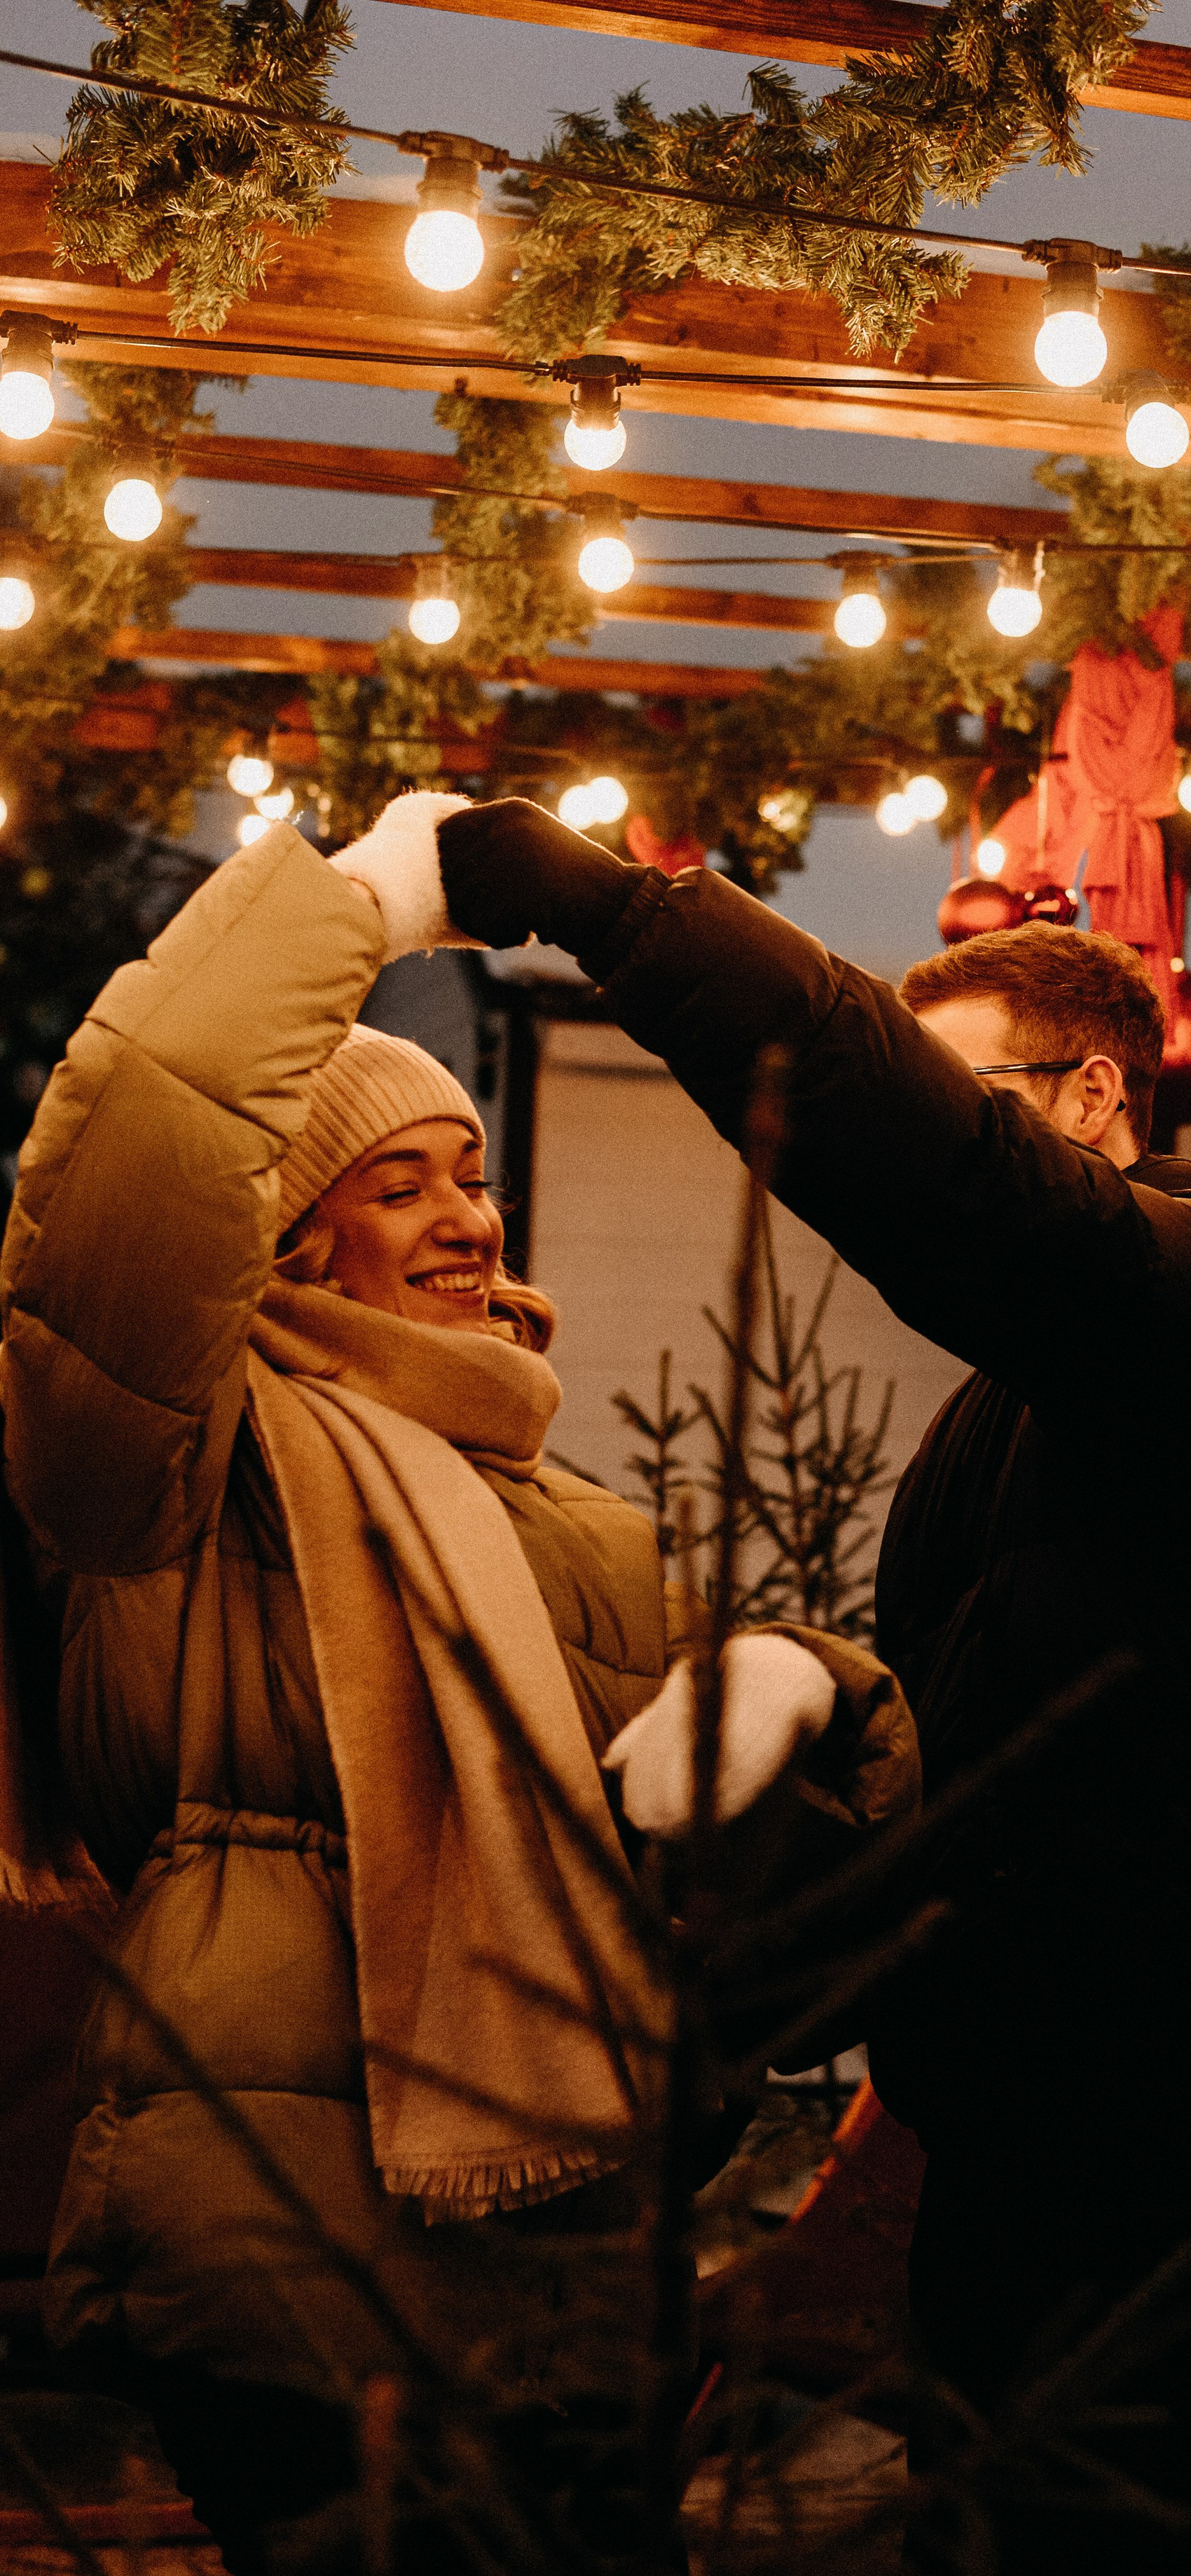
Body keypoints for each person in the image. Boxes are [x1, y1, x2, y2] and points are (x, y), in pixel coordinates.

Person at [434, 799, 1191, 2576]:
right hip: (1020, 2134)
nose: (939, 1142)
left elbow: (940, 1181)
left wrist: (614, 911)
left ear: (1096, 1096)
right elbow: (981, 1736)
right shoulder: (1011, 1405)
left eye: (974, 1102)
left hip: (1173, 2143)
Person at [0, 794, 918, 2575]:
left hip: (572, 2274)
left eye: (473, 1174)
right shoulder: (174, 1468)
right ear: (283, 1241)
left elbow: (741, 1962)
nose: (461, 1219)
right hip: (295, 2265)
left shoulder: (579, 1519)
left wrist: (805, 1705)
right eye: (393, 1184)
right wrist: (346, 905)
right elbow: (123, 1193)